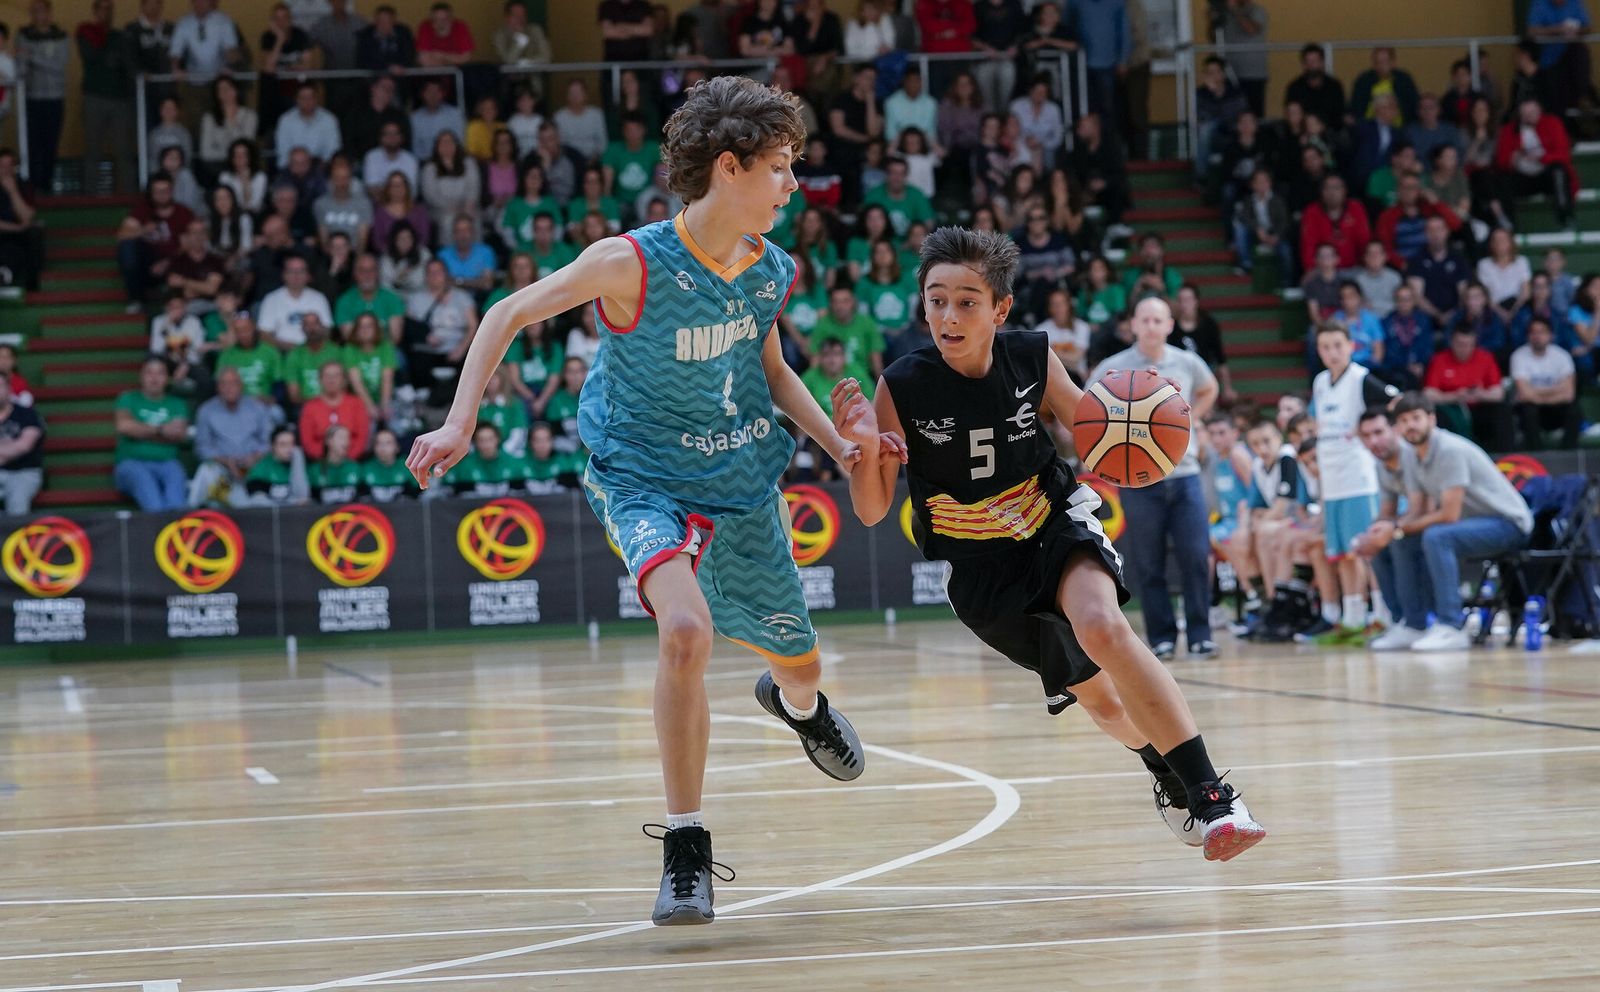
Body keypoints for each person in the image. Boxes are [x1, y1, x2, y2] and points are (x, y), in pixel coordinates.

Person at [405, 76, 874, 926]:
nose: (793, 183)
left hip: (738, 476)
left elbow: (770, 370)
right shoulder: (631, 261)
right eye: (779, 166)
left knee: (800, 663)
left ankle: (798, 705)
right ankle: (686, 846)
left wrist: (837, 446)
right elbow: (507, 312)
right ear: (729, 168)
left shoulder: (771, 269)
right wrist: (459, 420)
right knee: (686, 631)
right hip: (641, 474)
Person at [832, 224, 1264, 861]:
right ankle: (1165, 772)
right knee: (1105, 705)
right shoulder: (902, 383)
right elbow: (871, 510)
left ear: (1000, 309)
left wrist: (1143, 421)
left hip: (1051, 522)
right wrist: (864, 447)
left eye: (967, 302)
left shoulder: (1032, 356)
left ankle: (1213, 798)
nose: (948, 316)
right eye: (936, 300)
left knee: (1103, 625)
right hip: (981, 569)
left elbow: (1095, 431)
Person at [1088, 297, 1219, 660]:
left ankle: (1201, 635)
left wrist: (1193, 418)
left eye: (1157, 320)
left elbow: (1210, 388)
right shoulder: (1113, 367)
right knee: (1149, 562)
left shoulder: (1187, 362)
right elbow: (1087, 405)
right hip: (1138, 479)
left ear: (1169, 325)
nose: (1150, 326)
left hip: (1186, 474)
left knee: (1196, 557)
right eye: (1144, 320)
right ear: (1132, 324)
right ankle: (1162, 637)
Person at [1384, 393, 1534, 651]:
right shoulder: (1410, 455)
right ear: (1397, 426)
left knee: (1436, 536)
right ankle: (1413, 624)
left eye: (1416, 418)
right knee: (1399, 541)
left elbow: (1449, 515)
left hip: (1508, 524)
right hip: (1469, 526)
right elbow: (1416, 510)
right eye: (1404, 421)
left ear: (1431, 419)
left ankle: (1451, 626)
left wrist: (1398, 527)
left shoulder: (1449, 450)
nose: (1411, 426)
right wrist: (1390, 530)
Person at [1309, 322, 1400, 641]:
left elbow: (1397, 402)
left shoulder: (1361, 378)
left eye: (1337, 345)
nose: (1332, 352)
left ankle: (1384, 614)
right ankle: (1353, 617)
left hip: (1359, 478)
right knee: (1342, 554)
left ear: (1351, 346)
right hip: (1332, 479)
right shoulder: (1321, 382)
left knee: (1367, 551)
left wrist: (1375, 435)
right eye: (1325, 347)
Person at [188, 366, 273, 506]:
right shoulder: (206, 410)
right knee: (206, 471)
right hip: (223, 471)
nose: (229, 388)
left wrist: (253, 458)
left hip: (255, 468)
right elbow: (202, 447)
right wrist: (226, 461)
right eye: (224, 383)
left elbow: (268, 442)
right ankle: (192, 513)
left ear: (241, 386)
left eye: (234, 383)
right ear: (218, 387)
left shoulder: (257, 408)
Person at [114, 357, 190, 511]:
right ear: (141, 376)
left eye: (160, 373)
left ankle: (173, 524)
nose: (154, 378)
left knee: (176, 479)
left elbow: (178, 434)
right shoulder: (127, 399)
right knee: (148, 489)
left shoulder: (177, 403)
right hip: (131, 463)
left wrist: (139, 431)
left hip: (167, 463)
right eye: (149, 373)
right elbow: (124, 427)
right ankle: (160, 524)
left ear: (167, 378)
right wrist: (161, 431)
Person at [1423, 324, 1514, 450]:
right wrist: (1454, 396)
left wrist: (1481, 394)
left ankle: (1505, 454)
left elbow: (1498, 393)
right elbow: (1428, 393)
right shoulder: (1439, 360)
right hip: (1451, 408)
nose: (1464, 349)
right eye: (1460, 344)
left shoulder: (1485, 357)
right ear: (1452, 343)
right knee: (1437, 414)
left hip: (1480, 406)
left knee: (1502, 410)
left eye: (1468, 345)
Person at [76, 0, 134, 195]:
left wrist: (114, 58)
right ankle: (90, 198)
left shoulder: (120, 36)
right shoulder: (86, 32)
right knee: (93, 149)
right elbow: (91, 56)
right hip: (94, 97)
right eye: (102, 8)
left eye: (110, 9)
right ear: (94, 11)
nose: (106, 13)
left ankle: (128, 196)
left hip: (120, 99)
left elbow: (127, 64)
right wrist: (113, 56)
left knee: (123, 150)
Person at [117, 174, 196, 314]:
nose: (162, 195)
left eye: (165, 191)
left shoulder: (183, 213)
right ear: (151, 193)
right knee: (127, 247)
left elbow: (191, 244)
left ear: (171, 191)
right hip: (147, 263)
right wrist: (143, 230)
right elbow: (122, 235)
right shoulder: (142, 210)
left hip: (174, 262)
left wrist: (167, 262)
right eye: (157, 191)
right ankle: (136, 299)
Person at [1494, 96, 1577, 230]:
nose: (1529, 117)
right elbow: (1501, 161)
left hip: (1547, 176)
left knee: (1559, 171)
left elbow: (1563, 155)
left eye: (1532, 113)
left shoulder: (1552, 123)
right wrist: (1514, 158)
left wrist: (1541, 157)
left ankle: (1565, 216)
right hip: (1523, 178)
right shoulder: (1509, 130)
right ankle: (1510, 225)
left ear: (1539, 111)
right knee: (1501, 181)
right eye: (1525, 114)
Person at [17, 0, 68, 191]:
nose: (37, 15)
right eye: (33, 11)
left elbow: (58, 66)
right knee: (31, 145)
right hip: (31, 98)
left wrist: (32, 57)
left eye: (41, 10)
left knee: (50, 144)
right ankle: (30, 187)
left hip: (55, 98)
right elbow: (20, 65)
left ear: (49, 13)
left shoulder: (61, 36)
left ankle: (46, 187)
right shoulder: (24, 35)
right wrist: (24, 61)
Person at [1510, 316, 1582, 450]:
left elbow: (1569, 394)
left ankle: (1569, 452)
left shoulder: (1562, 356)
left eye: (1542, 332)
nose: (1537, 336)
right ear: (1528, 336)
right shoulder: (1519, 356)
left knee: (1573, 410)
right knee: (1529, 410)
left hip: (1555, 411)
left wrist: (1535, 392)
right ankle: (1537, 453)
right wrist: (1557, 389)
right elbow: (1524, 395)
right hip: (1532, 410)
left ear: (1550, 335)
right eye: (1533, 332)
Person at [299, 359, 370, 460]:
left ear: (344, 380)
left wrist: (346, 458)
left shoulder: (356, 404)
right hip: (320, 462)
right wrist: (328, 458)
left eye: (336, 376)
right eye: (327, 376)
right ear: (320, 380)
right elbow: (308, 441)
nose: (331, 380)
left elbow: (362, 438)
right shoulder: (310, 407)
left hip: (351, 461)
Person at [257, 254, 332, 349]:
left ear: (308, 275)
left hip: (313, 351)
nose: (296, 275)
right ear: (284, 275)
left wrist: (308, 349)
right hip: (281, 352)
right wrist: (293, 350)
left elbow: (327, 331)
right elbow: (264, 334)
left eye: (301, 271)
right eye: (291, 271)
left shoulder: (319, 298)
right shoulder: (271, 299)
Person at [1299, 174, 1370, 273]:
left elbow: (1365, 241)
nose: (1332, 193)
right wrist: (1310, 270)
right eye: (1327, 188)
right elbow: (1308, 246)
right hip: (1323, 271)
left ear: (1344, 191)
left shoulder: (1356, 208)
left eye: (1336, 188)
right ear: (1321, 192)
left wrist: (1368, 267)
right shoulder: (1312, 212)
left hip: (1354, 269)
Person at [0, 374, 43, 515]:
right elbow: (16, 446)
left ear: (9, 389)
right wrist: (10, 447)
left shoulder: (27, 414)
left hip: (23, 472)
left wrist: (11, 450)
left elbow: (24, 446)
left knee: (17, 504)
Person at [1219, 0, 1268, 116]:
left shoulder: (1257, 10)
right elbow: (1215, 37)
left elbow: (1251, 29)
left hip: (1253, 74)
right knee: (1231, 113)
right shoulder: (1227, 13)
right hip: (1230, 72)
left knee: (1253, 114)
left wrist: (1235, 10)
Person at [1349, 46, 1420, 124]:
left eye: (1384, 62)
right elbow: (1355, 107)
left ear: (1393, 63)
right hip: (1370, 127)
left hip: (1401, 127)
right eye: (1377, 62)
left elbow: (1414, 105)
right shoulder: (1364, 81)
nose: (1381, 66)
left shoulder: (1404, 80)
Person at [356, 4, 415, 76]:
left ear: (394, 21)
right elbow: (361, 61)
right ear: (375, 21)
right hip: (373, 77)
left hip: (399, 76)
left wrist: (400, 67)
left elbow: (410, 56)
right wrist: (387, 68)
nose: (383, 25)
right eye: (380, 21)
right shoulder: (365, 35)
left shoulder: (404, 33)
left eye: (387, 21)